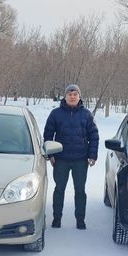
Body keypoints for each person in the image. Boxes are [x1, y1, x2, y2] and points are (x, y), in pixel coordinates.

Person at [43, 84, 99, 230]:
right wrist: (51, 154)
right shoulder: (56, 114)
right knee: (59, 189)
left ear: (79, 97)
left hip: (81, 160)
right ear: (65, 96)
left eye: (75, 94)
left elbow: (94, 136)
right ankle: (57, 218)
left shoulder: (86, 114)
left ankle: (80, 220)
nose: (72, 97)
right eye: (70, 94)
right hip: (61, 159)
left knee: (80, 190)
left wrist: (92, 155)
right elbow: (48, 135)